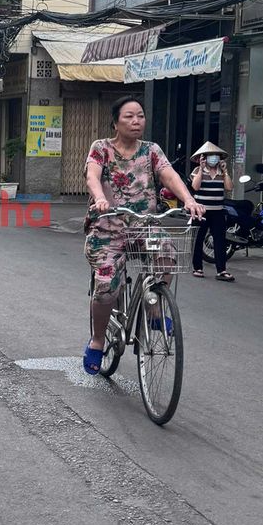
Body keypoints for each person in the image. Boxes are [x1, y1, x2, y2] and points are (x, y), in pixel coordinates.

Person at [84, 97, 203, 375]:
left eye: (140, 116)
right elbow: (92, 175)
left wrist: (188, 199)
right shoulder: (101, 148)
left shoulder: (151, 150)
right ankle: (98, 340)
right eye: (129, 116)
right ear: (115, 122)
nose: (136, 121)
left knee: (167, 251)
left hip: (143, 226)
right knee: (106, 287)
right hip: (107, 229)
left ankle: (154, 313)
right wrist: (99, 197)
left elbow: (168, 174)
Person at [189, 141, 234, 281]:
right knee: (198, 239)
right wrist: (202, 170)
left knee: (220, 240)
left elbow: (229, 187)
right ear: (203, 158)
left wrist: (225, 172)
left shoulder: (222, 172)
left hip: (218, 211)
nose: (213, 158)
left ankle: (222, 270)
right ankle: (198, 267)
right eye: (209, 156)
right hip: (201, 211)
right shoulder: (197, 171)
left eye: (215, 156)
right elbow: (195, 187)